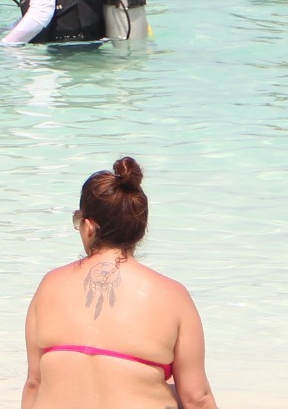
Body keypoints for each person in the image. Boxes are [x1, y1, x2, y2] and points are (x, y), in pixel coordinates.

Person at [22, 158, 217, 409]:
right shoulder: (172, 296)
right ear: (140, 230)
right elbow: (196, 397)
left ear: (88, 228)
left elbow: (34, 384)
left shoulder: (49, 286)